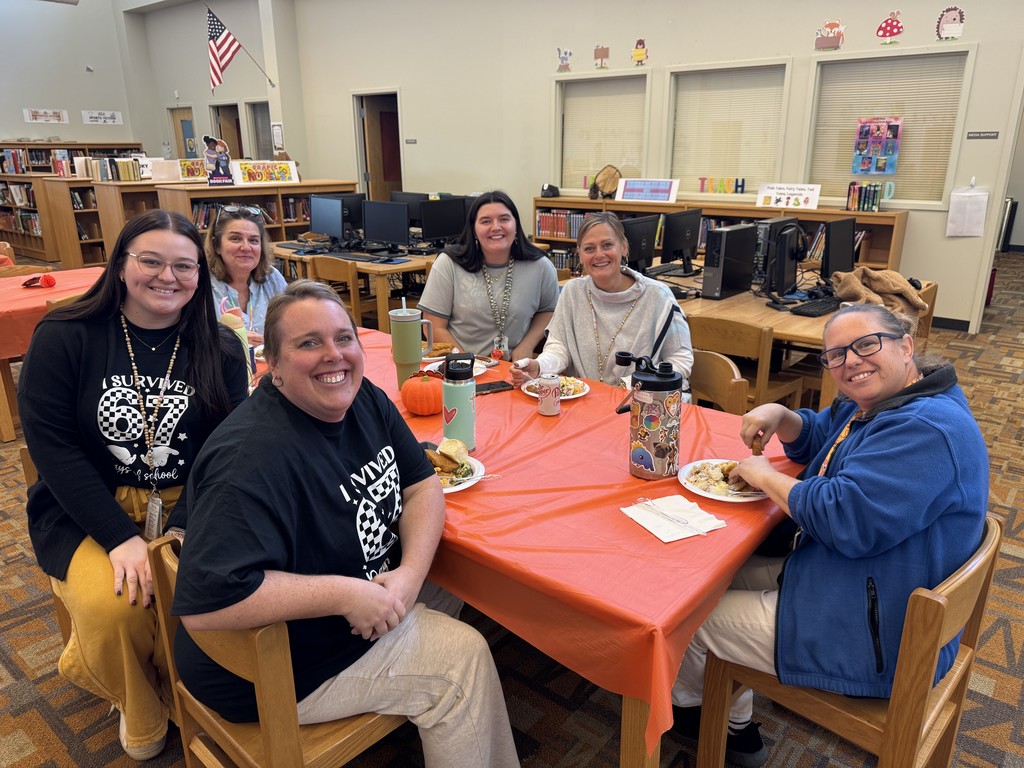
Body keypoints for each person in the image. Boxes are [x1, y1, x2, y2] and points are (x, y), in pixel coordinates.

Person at [172, 280, 520, 768]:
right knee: (462, 661)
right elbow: (208, 604)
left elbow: (422, 485)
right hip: (273, 666)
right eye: (308, 343)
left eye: (343, 338)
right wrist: (345, 595)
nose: (333, 356)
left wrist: (407, 577)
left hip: (350, 602)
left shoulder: (361, 397)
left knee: (468, 578)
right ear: (273, 364)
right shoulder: (248, 462)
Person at [668, 304, 989, 767]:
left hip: (879, 634)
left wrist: (764, 475)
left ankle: (722, 726)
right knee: (708, 579)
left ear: (906, 346)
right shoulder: (885, 401)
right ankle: (715, 702)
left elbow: (845, 519)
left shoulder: (925, 429)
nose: (851, 361)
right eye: (836, 355)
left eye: (866, 345)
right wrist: (782, 415)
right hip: (868, 582)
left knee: (689, 621)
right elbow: (827, 436)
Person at [17, 209, 249, 761]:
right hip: (87, 506)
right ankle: (143, 708)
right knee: (115, 609)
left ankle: (178, 685)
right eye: (151, 261)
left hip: (191, 503)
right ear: (120, 264)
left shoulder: (221, 347)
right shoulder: (64, 336)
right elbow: (54, 450)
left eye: (184, 266)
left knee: (211, 598)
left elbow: (225, 451)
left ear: (200, 275)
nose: (168, 277)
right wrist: (119, 537)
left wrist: (181, 529)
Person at [511, 211, 693, 388]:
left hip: (640, 401)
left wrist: (631, 385)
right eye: (589, 248)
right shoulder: (572, 292)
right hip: (585, 402)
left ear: (624, 247)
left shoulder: (658, 296)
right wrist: (540, 366)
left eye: (607, 245)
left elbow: (681, 359)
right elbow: (558, 347)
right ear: (580, 254)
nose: (599, 255)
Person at [418, 190, 558, 360]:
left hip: (512, 368)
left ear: (516, 225)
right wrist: (465, 362)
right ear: (474, 230)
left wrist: (527, 345)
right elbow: (433, 326)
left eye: (504, 219)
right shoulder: (449, 263)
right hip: (460, 364)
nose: (496, 227)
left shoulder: (541, 266)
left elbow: (548, 310)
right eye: (486, 221)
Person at [206, 203, 287, 345]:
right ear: (216, 245)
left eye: (253, 240)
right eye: (235, 239)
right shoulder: (200, 283)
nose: (246, 247)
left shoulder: (272, 277)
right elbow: (189, 337)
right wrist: (229, 340)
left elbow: (293, 325)